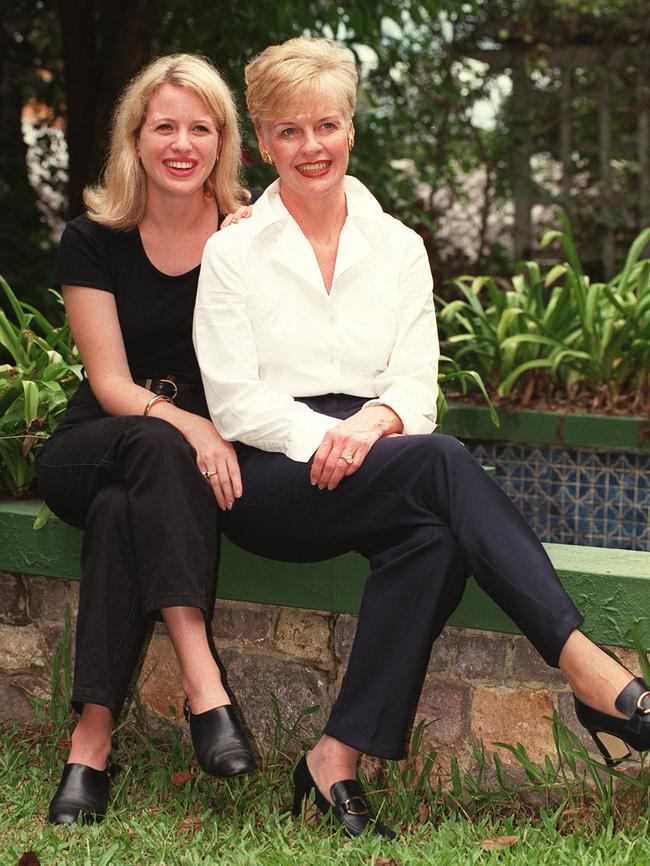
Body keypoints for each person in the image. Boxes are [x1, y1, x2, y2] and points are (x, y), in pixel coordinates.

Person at [193, 37, 650, 839]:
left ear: (351, 130)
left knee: (433, 538)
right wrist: (335, 435)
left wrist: (372, 424)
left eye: (326, 125)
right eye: (290, 131)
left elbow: (414, 388)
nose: (311, 147)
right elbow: (233, 401)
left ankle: (332, 761)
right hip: (268, 476)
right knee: (437, 465)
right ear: (264, 143)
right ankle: (587, 669)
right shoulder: (232, 252)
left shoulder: (399, 247)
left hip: (379, 458)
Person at [37, 53, 256, 825]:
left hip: (167, 472)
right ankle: (204, 681)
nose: (182, 142)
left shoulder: (248, 235)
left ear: (222, 141)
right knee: (156, 450)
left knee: (123, 516)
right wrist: (192, 423)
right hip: (95, 441)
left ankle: (88, 747)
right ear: (135, 138)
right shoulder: (93, 237)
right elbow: (110, 385)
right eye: (165, 125)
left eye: (201, 126)